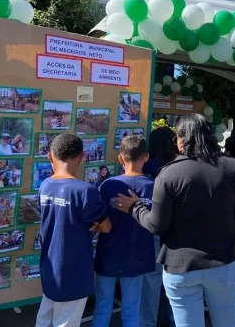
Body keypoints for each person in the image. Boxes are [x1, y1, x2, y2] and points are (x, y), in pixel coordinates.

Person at [114, 113, 235, 327]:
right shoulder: (233, 168)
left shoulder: (168, 173)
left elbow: (157, 225)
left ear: (181, 138)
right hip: (224, 262)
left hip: (181, 266)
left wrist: (135, 207)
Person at [36, 134, 111, 327]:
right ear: (83, 156)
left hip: (50, 266)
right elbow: (106, 226)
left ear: (50, 156)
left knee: (45, 317)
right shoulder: (85, 191)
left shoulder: (45, 185)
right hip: (75, 270)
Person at [93, 136, 156, 327]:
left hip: (107, 254)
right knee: (131, 310)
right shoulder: (152, 188)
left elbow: (98, 218)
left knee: (102, 306)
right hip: (137, 255)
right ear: (146, 157)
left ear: (120, 158)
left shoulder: (107, 185)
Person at [141, 126, 177, 327]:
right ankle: (175, 319)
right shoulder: (176, 165)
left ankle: (148, 321)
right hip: (174, 228)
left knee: (152, 279)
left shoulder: (147, 166)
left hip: (152, 224)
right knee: (175, 277)